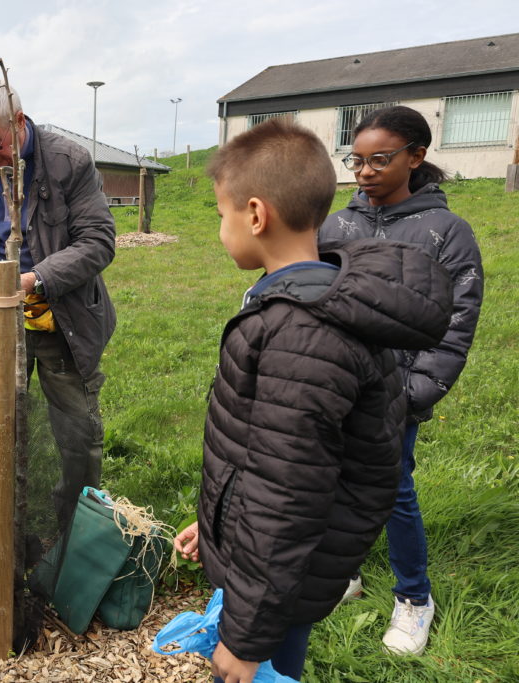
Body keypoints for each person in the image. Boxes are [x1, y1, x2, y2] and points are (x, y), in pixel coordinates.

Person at [174, 118, 452, 682]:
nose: (220, 229)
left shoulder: (301, 336)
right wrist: (217, 524)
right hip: (277, 572)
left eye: (220, 215)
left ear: (255, 215)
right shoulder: (310, 299)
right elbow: (263, 451)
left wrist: (247, 637)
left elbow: (286, 496)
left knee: (273, 669)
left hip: (279, 585)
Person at [319, 105, 484, 655]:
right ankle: (346, 573)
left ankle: (414, 598)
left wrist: (411, 396)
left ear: (416, 157)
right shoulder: (337, 224)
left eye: (380, 160)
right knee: (332, 479)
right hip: (334, 384)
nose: (364, 172)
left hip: (397, 397)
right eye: (357, 160)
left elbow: (456, 326)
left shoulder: (446, 233)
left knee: (392, 491)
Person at [0, 77, 116, 562]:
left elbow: (98, 240)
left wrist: (34, 280)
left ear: (18, 124)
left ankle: (73, 533)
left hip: (62, 321)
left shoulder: (68, 162)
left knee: (77, 435)